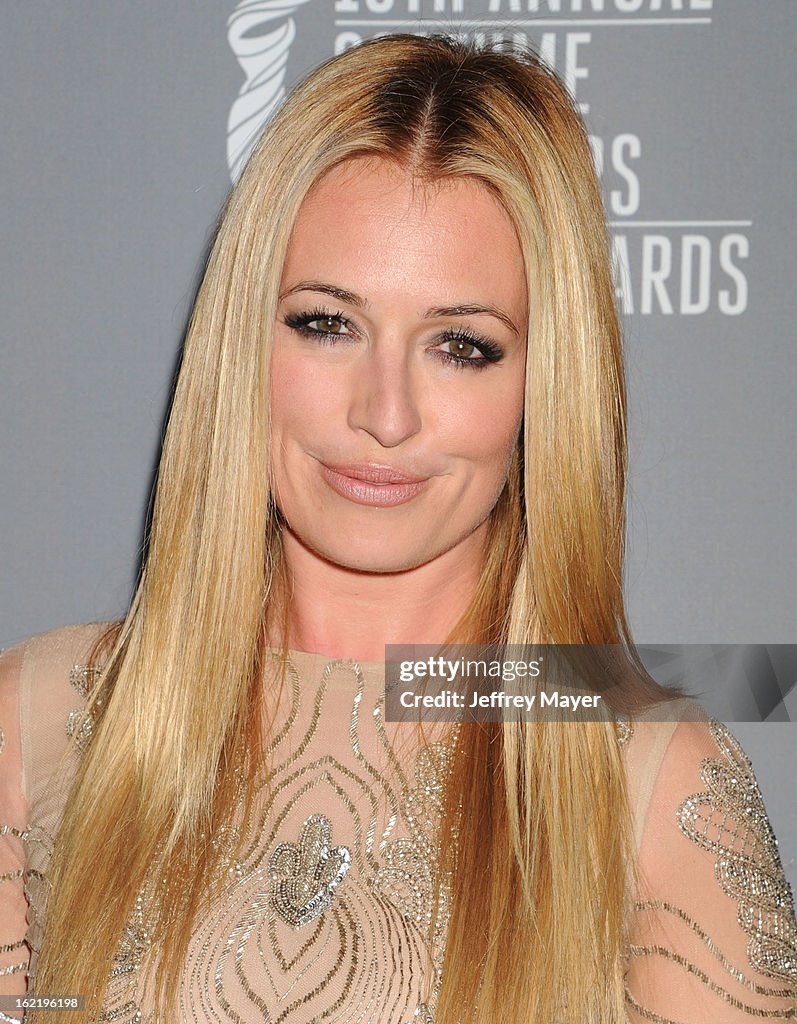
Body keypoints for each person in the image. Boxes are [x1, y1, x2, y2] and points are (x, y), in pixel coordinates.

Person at [0, 32, 795, 1024]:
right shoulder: (33, 725)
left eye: (461, 345)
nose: (385, 414)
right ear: (243, 338)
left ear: (543, 386)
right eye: (325, 322)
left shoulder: (649, 783)